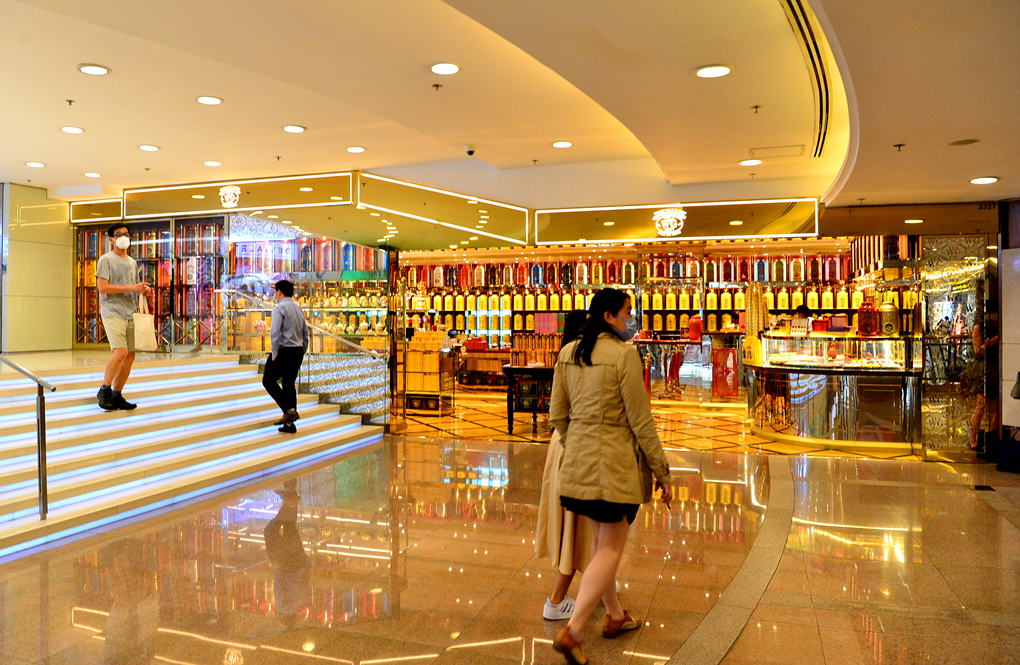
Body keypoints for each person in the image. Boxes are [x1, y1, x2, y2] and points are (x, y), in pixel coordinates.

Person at [549, 288, 673, 665]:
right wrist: (661, 470)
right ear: (608, 316)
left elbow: (557, 415)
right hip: (615, 470)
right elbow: (641, 421)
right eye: (627, 313)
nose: (630, 320)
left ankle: (615, 614)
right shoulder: (623, 355)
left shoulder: (568, 353)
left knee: (601, 545)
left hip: (578, 468)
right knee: (611, 549)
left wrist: (579, 443)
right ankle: (573, 631)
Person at [535, 310, 591, 620]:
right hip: (576, 445)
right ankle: (556, 600)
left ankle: (602, 586)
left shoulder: (565, 356)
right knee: (579, 525)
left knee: (586, 528)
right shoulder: (584, 358)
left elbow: (556, 413)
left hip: (562, 442)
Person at [96, 222, 151, 411]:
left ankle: (117, 394)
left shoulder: (132, 262)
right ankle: (105, 389)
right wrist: (131, 287)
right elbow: (103, 288)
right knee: (120, 352)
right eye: (119, 234)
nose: (123, 237)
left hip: (130, 312)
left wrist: (143, 289)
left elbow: (134, 286)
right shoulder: (106, 260)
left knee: (130, 356)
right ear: (111, 239)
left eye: (126, 234)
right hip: (113, 312)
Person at [263, 280, 309, 434]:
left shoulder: (279, 308)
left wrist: (274, 353)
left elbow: (275, 331)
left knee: (268, 380)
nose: (275, 295)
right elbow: (305, 333)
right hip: (297, 351)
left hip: (284, 350)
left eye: (275, 292)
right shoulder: (298, 309)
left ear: (280, 292)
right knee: (289, 384)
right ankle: (290, 424)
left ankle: (289, 410)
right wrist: (302, 350)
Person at [264, 481, 310, 625]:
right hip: (286, 564)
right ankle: (289, 501)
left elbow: (306, 580)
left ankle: (291, 493)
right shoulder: (282, 607)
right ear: (284, 617)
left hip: (300, 561)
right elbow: (278, 587)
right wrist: (277, 565)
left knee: (289, 526)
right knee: (269, 531)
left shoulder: (300, 601)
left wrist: (306, 560)